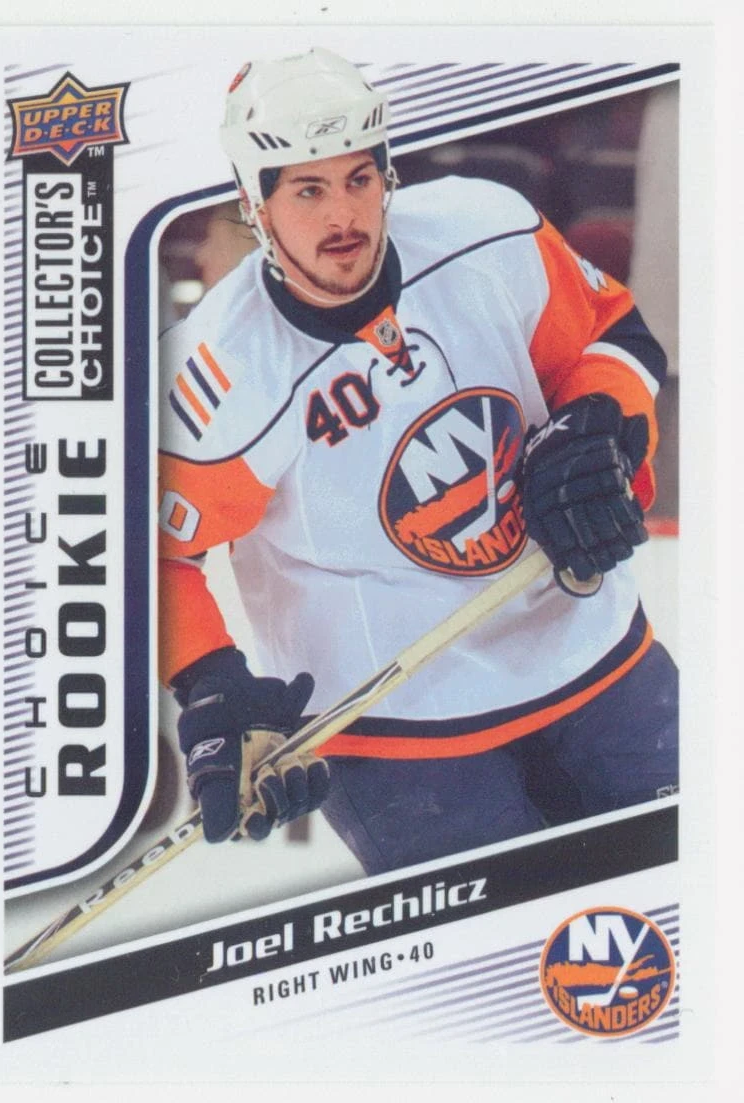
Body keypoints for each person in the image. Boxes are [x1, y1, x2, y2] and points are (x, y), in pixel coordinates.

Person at [157, 48, 678, 875]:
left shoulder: (488, 231)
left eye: (359, 179)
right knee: (508, 953)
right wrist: (211, 680)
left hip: (594, 659)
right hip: (398, 737)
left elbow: (613, 334)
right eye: (308, 190)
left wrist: (597, 420)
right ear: (256, 203)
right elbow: (150, 557)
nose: (344, 216)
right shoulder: (217, 373)